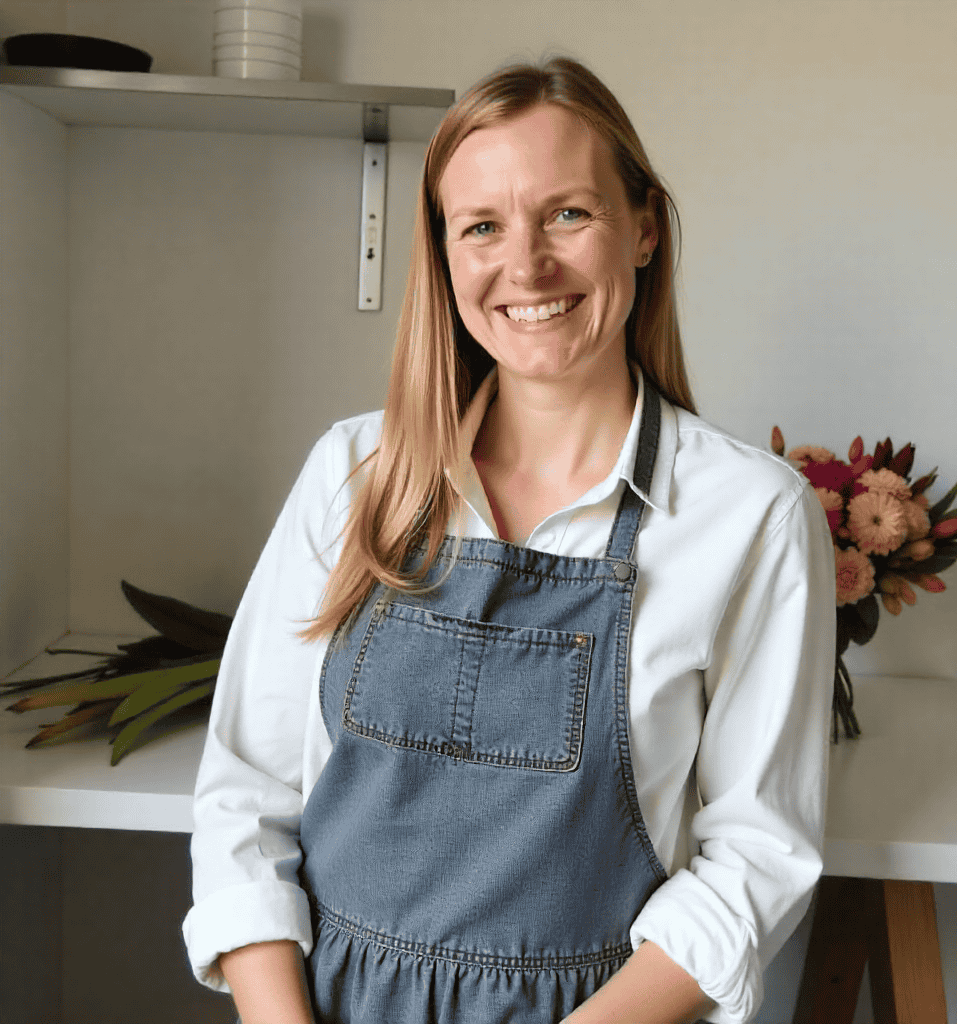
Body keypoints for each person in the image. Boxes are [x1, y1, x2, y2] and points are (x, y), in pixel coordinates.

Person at [183, 56, 837, 1024]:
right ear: (445, 253)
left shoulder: (751, 515)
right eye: (481, 225)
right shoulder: (352, 473)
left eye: (567, 214)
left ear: (645, 227)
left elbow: (755, 858)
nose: (524, 266)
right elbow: (247, 792)